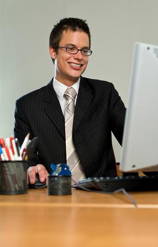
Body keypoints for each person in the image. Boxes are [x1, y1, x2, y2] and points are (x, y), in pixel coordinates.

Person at [14, 17, 126, 184]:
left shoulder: (105, 93)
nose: (79, 56)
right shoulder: (27, 106)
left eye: (85, 50)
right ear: (53, 51)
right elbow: (24, 158)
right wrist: (32, 167)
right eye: (71, 48)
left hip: (102, 196)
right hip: (53, 198)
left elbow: (132, 140)